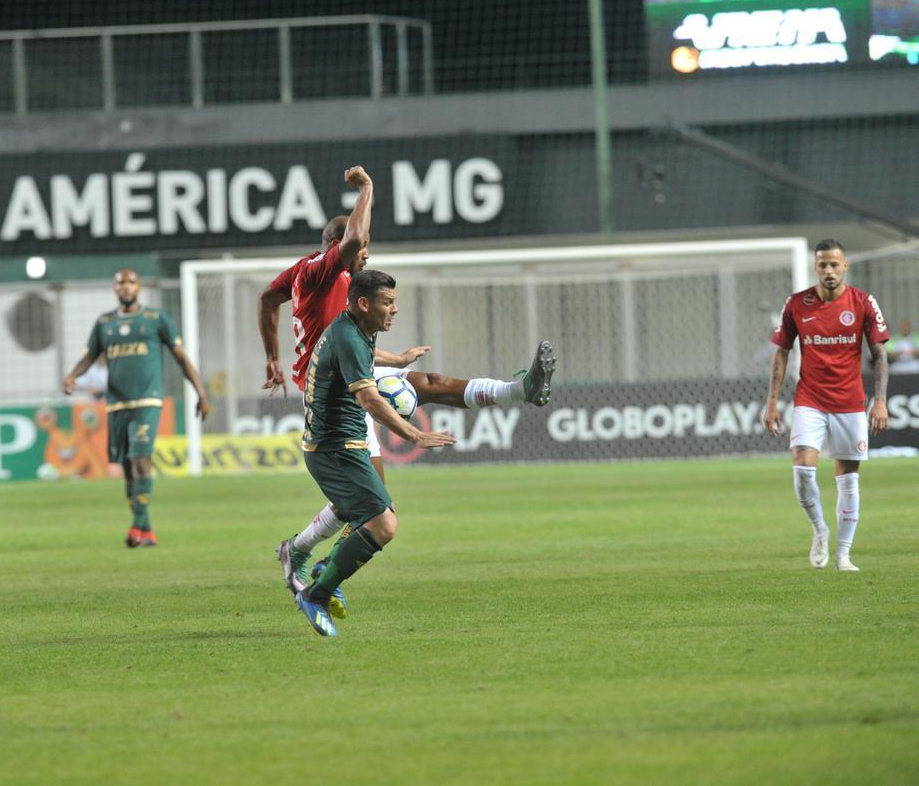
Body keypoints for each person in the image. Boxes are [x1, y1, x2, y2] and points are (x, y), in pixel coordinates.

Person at [260, 165, 556, 614]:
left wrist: (274, 357)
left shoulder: (316, 280)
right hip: (333, 394)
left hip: (336, 376)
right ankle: (314, 564)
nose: (364, 254)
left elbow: (270, 301)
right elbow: (353, 249)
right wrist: (367, 190)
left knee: (425, 387)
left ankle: (520, 389)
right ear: (336, 248)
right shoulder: (324, 272)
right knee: (375, 505)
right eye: (359, 249)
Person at [293, 269, 458, 636]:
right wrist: (414, 434)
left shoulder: (354, 329)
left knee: (376, 519)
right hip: (334, 448)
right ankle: (316, 592)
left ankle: (321, 570)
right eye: (388, 302)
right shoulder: (349, 337)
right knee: (383, 523)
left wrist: (398, 361)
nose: (395, 309)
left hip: (341, 444)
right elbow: (368, 398)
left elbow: (365, 357)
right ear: (364, 304)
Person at [763, 239, 890, 573]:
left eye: (835, 264)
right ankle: (819, 529)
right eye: (823, 265)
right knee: (803, 470)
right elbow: (782, 351)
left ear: (845, 266)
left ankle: (844, 554)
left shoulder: (863, 302)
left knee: (847, 479)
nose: (829, 270)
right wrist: (772, 400)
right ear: (815, 267)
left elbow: (879, 354)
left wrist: (880, 401)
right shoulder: (796, 304)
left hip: (850, 402)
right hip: (811, 399)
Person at [61, 268, 211, 547]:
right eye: (121, 283)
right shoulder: (104, 323)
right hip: (117, 404)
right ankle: (146, 529)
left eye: (131, 282)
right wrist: (72, 376)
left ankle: (136, 526)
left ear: (139, 287)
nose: (126, 287)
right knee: (129, 468)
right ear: (114, 288)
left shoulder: (156, 319)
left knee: (141, 461)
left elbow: (181, 358)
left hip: (147, 401)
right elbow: (89, 356)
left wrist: (201, 392)